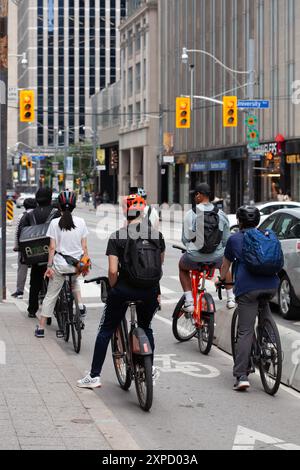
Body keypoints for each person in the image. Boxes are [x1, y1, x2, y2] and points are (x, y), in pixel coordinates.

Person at [77, 193, 165, 389]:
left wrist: (114, 287)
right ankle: (148, 368)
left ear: (125, 213)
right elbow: (159, 265)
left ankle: (94, 376)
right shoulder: (157, 236)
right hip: (149, 291)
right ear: (143, 213)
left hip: (124, 290)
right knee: (146, 327)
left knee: (106, 329)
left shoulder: (116, 237)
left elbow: (112, 271)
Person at [218, 206, 280, 391]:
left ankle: (242, 375)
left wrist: (221, 280)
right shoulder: (267, 236)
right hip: (271, 286)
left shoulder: (235, 239)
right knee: (264, 313)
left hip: (248, 289)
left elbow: (225, 266)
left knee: (245, 331)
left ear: (239, 221)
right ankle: (269, 345)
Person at [34, 191, 90, 338]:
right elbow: (84, 248)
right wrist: (85, 264)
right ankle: (81, 307)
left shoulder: (54, 223)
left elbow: (52, 248)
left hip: (60, 265)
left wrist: (49, 267)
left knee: (51, 295)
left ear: (58, 206)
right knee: (74, 284)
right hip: (76, 265)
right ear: (74, 206)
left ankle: (40, 328)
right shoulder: (82, 222)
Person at [179, 183, 235, 312]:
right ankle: (231, 297)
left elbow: (185, 239)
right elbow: (226, 240)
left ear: (199, 195)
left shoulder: (190, 214)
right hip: (216, 257)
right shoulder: (221, 214)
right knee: (224, 264)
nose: (194, 197)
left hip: (194, 257)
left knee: (182, 267)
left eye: (195, 194)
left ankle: (189, 301)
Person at [18, 187, 60, 319]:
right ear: (50, 198)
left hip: (35, 254)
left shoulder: (29, 215)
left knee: (34, 282)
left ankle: (32, 309)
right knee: (54, 282)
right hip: (52, 254)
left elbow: (21, 233)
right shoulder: (56, 213)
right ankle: (53, 308)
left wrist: (23, 253)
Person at [11, 198, 37, 299]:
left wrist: (17, 246)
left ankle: (20, 291)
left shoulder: (22, 216)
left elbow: (17, 232)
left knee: (22, 268)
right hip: (38, 246)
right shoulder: (37, 215)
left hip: (24, 247)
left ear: (25, 206)